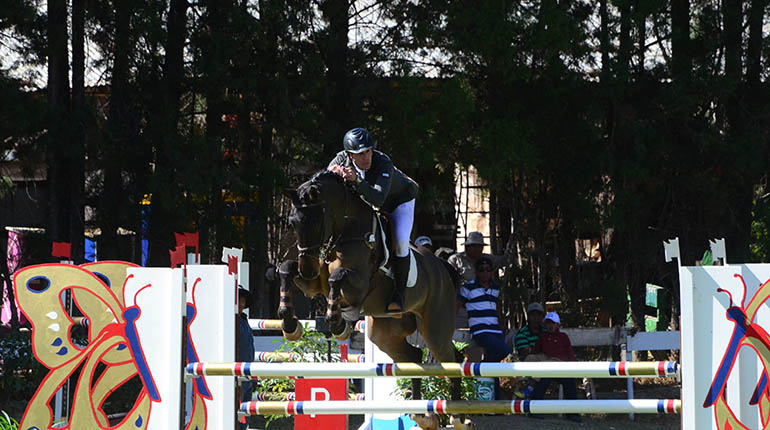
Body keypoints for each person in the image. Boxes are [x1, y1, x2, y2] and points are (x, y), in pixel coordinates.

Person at [328, 127, 419, 314]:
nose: (366, 157)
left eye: (368, 151)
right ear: (350, 155)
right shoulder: (341, 159)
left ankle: (399, 295)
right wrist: (331, 173)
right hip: (373, 202)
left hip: (399, 201)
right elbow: (326, 181)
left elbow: (378, 198)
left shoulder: (383, 162)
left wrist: (357, 181)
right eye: (360, 154)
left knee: (401, 241)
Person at [457, 257, 511, 399]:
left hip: (495, 330)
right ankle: (479, 368)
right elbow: (457, 305)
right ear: (476, 272)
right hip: (480, 331)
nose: (485, 273)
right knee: (505, 350)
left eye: (488, 270)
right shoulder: (467, 288)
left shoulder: (495, 288)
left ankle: (493, 400)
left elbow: (497, 308)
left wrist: (502, 324)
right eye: (481, 270)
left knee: (494, 368)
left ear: (492, 272)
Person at [529, 312, 581, 423]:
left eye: (553, 323)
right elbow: (535, 351)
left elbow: (570, 353)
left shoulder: (563, 337)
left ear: (558, 325)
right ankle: (534, 409)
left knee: (569, 380)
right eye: (548, 323)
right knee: (544, 375)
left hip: (561, 367)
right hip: (547, 368)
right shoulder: (543, 337)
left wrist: (573, 367)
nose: (550, 326)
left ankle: (573, 413)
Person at [237, 287, 256, 429]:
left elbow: (250, 349)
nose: (241, 304)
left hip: (247, 373)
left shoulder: (243, 320)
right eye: (238, 300)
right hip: (236, 373)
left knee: (245, 412)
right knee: (236, 411)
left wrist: (253, 375)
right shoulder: (229, 320)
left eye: (242, 301)